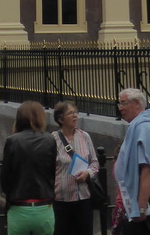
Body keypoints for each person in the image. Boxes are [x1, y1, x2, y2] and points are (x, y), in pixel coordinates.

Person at [112, 88, 150, 235]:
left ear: (136, 103)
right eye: (119, 104)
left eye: (123, 103)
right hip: (136, 198)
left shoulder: (144, 128)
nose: (120, 108)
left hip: (143, 200)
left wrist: (140, 208)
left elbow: (147, 170)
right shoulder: (139, 126)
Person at [1, 100, 57, 235]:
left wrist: (11, 195)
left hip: (19, 207)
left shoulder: (12, 141)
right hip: (44, 206)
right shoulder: (50, 140)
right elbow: (52, 172)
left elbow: (4, 177)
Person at [51, 100, 99, 235]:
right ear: (60, 119)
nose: (75, 116)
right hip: (61, 199)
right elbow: (48, 168)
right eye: (70, 113)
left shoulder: (84, 136)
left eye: (75, 113)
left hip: (83, 197)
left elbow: (95, 163)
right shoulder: (53, 139)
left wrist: (88, 173)